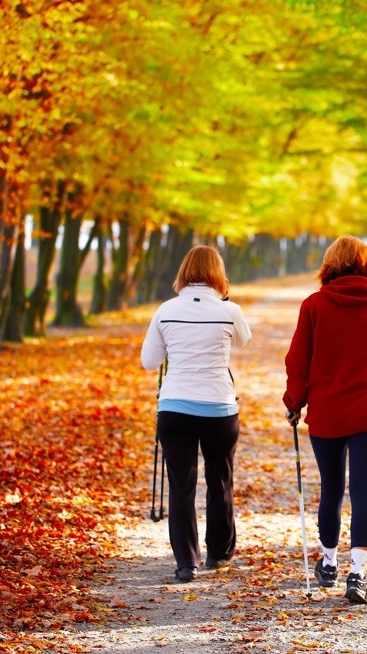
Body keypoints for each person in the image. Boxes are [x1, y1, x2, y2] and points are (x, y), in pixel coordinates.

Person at [283, 235, 367, 604]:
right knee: (364, 490)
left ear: (330, 265)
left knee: (332, 488)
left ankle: (329, 562)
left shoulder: (315, 306)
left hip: (328, 413)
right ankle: (359, 573)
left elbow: (297, 361)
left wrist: (295, 402)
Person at [141, 244, 252, 583]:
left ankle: (185, 562)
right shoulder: (228, 310)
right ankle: (218, 553)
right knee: (220, 479)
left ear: (184, 271)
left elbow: (149, 362)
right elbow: (243, 342)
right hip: (219, 406)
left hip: (175, 407)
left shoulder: (165, 310)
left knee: (182, 485)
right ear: (218, 273)